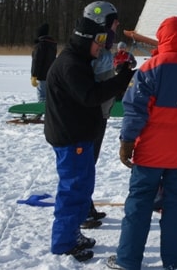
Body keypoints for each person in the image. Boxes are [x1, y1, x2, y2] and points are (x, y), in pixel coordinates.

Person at [106, 15, 177, 270]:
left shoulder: (150, 69)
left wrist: (127, 141)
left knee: (139, 204)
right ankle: (174, 259)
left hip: (150, 153)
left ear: (161, 37)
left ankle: (128, 260)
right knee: (176, 205)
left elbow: (135, 110)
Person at [44, 15, 134, 262]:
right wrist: (122, 80)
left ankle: (72, 233)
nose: (101, 46)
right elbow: (91, 96)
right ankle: (64, 244)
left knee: (81, 188)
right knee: (73, 191)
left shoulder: (79, 60)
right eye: (98, 41)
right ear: (85, 40)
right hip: (70, 138)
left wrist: (119, 75)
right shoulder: (71, 64)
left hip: (76, 135)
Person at [84, 0, 119, 228]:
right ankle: (82, 209)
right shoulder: (95, 52)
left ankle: (86, 204)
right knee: (84, 165)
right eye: (113, 22)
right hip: (90, 117)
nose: (117, 26)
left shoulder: (103, 50)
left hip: (100, 115)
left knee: (90, 163)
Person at [31, 23, 57, 103]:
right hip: (50, 75)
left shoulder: (40, 45)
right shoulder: (52, 45)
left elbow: (36, 61)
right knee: (48, 96)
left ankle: (42, 109)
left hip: (41, 76)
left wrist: (34, 75)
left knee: (42, 97)